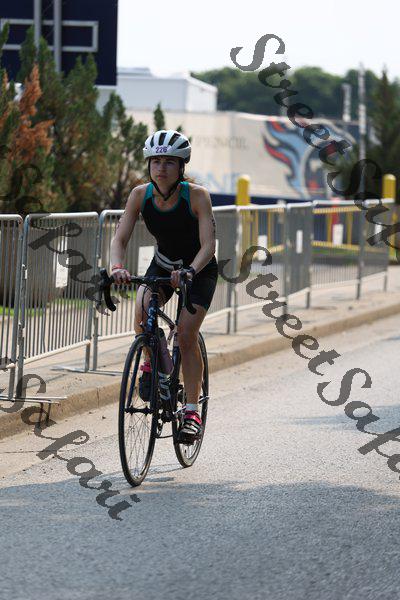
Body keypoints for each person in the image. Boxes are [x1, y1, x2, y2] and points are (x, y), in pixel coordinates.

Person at [110, 129, 217, 442]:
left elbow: (209, 245)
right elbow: (119, 238)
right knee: (142, 309)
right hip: (163, 264)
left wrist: (190, 271)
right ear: (148, 164)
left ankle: (192, 411)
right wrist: (116, 267)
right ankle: (151, 365)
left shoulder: (197, 196)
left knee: (186, 334)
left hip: (198, 270)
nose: (161, 168)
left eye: (169, 162)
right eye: (156, 161)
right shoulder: (139, 195)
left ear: (181, 166)